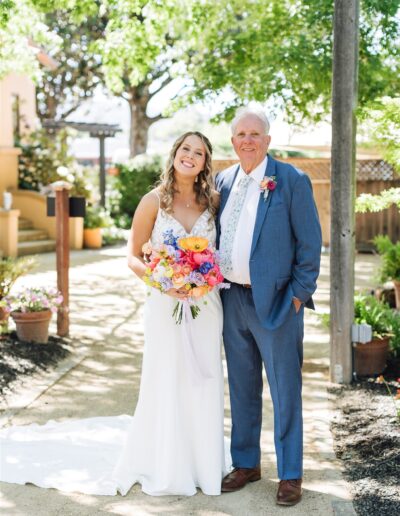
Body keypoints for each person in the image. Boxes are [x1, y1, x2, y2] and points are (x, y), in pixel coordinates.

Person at [0, 131, 229, 497]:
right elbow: (133, 257)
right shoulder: (154, 200)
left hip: (205, 305)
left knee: (204, 379)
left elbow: (219, 252)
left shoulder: (214, 202)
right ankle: (166, 463)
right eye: (185, 148)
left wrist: (201, 279)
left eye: (198, 153)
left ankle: (204, 463)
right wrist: (164, 281)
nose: (190, 156)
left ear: (205, 162)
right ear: (174, 154)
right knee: (166, 377)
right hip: (164, 302)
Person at [216, 108, 322, 506]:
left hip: (278, 304)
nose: (248, 140)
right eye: (241, 134)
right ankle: (246, 463)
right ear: (233, 141)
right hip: (231, 298)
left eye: (255, 134)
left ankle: (290, 473)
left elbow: (310, 246)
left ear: (267, 140)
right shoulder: (222, 181)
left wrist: (297, 295)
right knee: (242, 387)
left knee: (284, 389)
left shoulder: (291, 180)